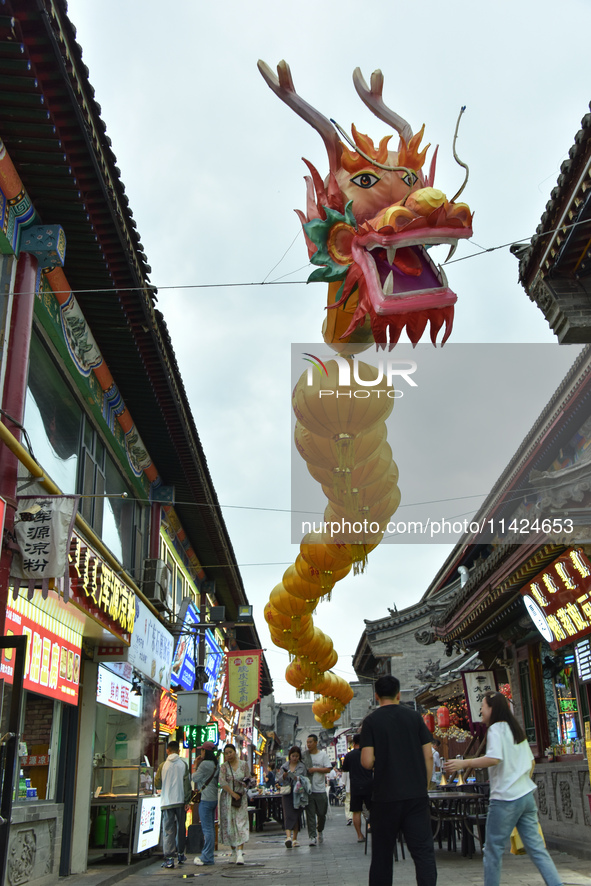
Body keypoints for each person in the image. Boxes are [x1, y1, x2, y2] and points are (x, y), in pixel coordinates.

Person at [444, 691, 563, 886]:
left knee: (493, 850)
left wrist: (465, 764)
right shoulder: (516, 730)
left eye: (483, 706)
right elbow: (530, 761)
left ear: (493, 708)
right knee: (537, 848)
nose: (480, 710)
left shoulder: (496, 729)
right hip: (525, 795)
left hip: (506, 798)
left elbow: (494, 758)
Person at [360, 675, 436, 886]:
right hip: (416, 796)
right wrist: (425, 784)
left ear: (376, 697)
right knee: (423, 854)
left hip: (385, 797)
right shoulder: (414, 718)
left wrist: (380, 759)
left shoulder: (371, 722)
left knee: (382, 856)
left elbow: (366, 762)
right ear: (398, 694)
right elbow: (428, 755)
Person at [155, 739, 191, 869]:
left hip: (167, 802)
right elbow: (187, 785)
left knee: (168, 830)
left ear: (167, 751)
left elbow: (157, 783)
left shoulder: (162, 766)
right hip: (180, 801)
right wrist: (187, 800)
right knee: (181, 828)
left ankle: (169, 858)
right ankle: (181, 854)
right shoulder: (183, 765)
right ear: (179, 751)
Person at [219, 744, 251, 865]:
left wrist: (246, 784)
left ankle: (240, 852)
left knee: (240, 823)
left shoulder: (244, 765)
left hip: (240, 798)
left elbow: (248, 779)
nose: (228, 755)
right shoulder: (224, 767)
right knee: (229, 824)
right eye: (226, 753)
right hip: (227, 798)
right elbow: (222, 782)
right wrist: (232, 793)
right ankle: (233, 851)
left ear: (235, 752)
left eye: (230, 752)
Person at [191, 741, 219, 867]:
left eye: (202, 750)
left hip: (206, 799)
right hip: (213, 798)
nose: (200, 752)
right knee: (211, 829)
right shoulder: (215, 764)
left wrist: (195, 765)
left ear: (205, 751)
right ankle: (209, 856)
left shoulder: (205, 764)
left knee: (207, 829)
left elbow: (194, 778)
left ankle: (207, 857)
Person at [342, 734, 373, 843]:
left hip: (355, 786)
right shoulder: (369, 753)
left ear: (353, 743)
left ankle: (360, 835)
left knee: (356, 811)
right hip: (369, 784)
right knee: (373, 809)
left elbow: (344, 769)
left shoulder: (349, 756)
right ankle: (376, 830)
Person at [302, 734, 331, 845]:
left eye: (310, 742)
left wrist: (315, 769)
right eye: (307, 742)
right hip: (309, 790)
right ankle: (312, 837)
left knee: (321, 814)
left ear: (315, 742)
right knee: (310, 814)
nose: (308, 744)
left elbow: (328, 769)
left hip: (320, 789)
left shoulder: (323, 755)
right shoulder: (304, 756)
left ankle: (320, 830)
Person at [277, 746, 307, 847]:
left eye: (297, 756)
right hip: (287, 792)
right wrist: (284, 776)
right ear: (289, 756)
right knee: (287, 814)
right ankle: (288, 837)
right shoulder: (284, 766)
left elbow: (304, 779)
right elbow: (279, 780)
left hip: (298, 792)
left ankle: (295, 838)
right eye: (293, 756)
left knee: (296, 815)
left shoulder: (302, 766)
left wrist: (297, 778)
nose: (294, 758)